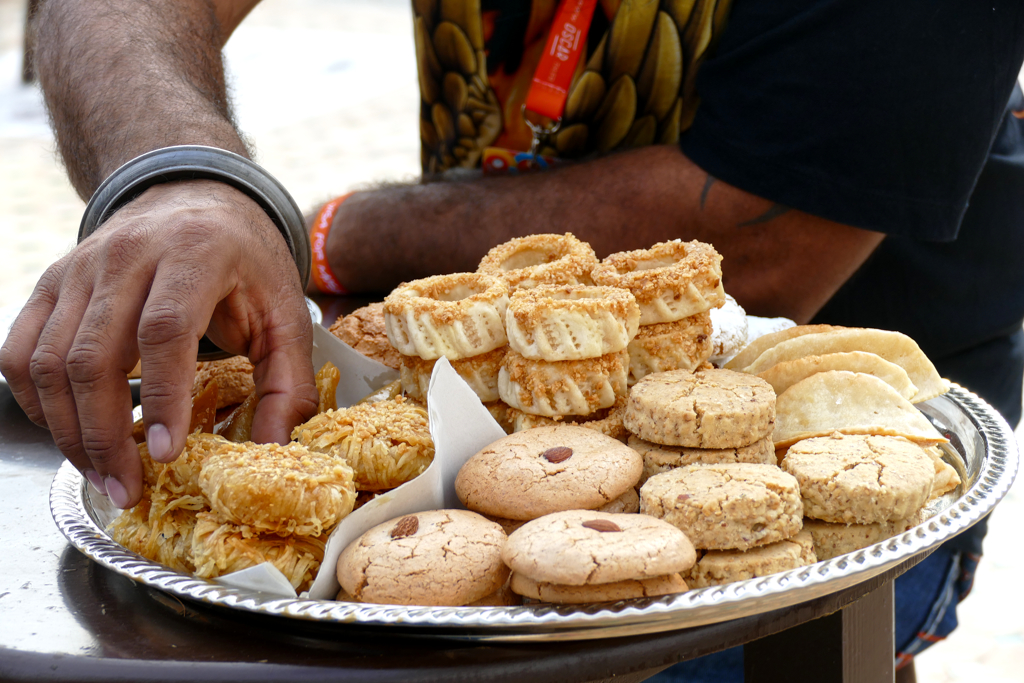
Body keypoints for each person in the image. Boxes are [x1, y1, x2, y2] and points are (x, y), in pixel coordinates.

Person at [1, 0, 1022, 679]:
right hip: (463, 425)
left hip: (846, 452)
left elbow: (771, 238)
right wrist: (183, 176)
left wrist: (330, 233)